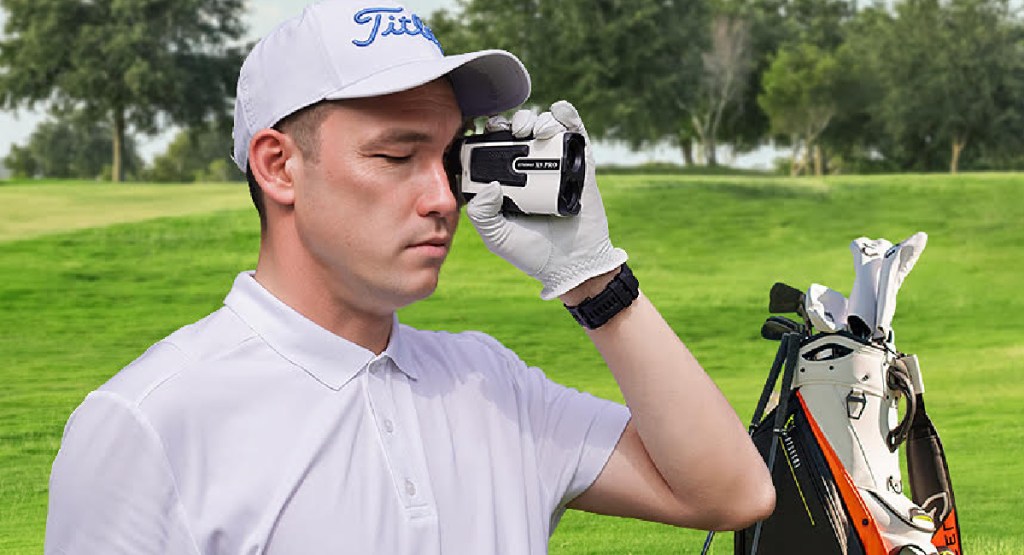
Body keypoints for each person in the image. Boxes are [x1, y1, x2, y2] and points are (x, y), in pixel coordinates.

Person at [44, 1, 774, 553]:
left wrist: (594, 277)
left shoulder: (490, 381)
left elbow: (731, 491)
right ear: (278, 166)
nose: (442, 195)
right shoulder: (146, 421)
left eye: (451, 158)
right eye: (397, 157)